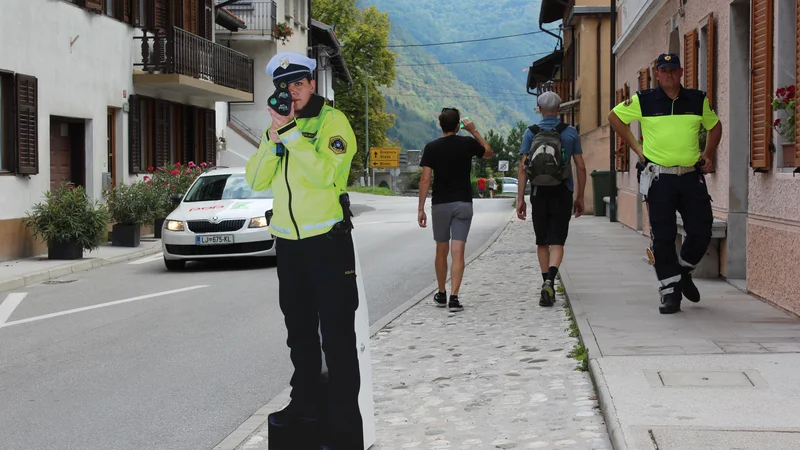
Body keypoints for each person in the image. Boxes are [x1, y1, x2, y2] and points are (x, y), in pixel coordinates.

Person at [245, 51, 364, 449]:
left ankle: (345, 418)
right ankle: (305, 403)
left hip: (327, 244)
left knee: (336, 334)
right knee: (299, 333)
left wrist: (293, 135)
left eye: (297, 84)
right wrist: (273, 138)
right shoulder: (280, 127)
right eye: (284, 87)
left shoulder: (334, 123)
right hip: (290, 247)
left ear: (312, 83)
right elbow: (257, 179)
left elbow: (325, 174)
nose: (291, 93)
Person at [608, 53, 721, 314]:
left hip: (691, 176)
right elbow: (615, 117)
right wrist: (637, 148)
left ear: (681, 72)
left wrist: (708, 154)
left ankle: (683, 271)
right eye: (664, 70)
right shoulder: (644, 100)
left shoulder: (697, 99)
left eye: (673, 69)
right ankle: (670, 292)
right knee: (663, 236)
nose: (669, 74)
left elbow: (714, 127)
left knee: (702, 229)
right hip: (659, 179)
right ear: (657, 73)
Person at [418, 108, 494, 311]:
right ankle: (454, 297)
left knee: (441, 250)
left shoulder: (431, 147)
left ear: (440, 125)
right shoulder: (467, 144)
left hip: (440, 204)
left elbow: (425, 179)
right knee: (458, 252)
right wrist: (474, 131)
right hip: (463, 203)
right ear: (458, 125)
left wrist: (420, 208)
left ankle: (441, 293)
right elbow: (488, 153)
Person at [516, 91, 586, 307]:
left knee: (542, 241)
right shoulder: (570, 132)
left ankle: (545, 282)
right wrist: (580, 196)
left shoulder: (531, 132)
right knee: (557, 241)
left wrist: (521, 199)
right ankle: (550, 281)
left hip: (538, 193)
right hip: (562, 192)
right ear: (559, 109)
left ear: (539, 109)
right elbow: (581, 166)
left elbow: (523, 168)